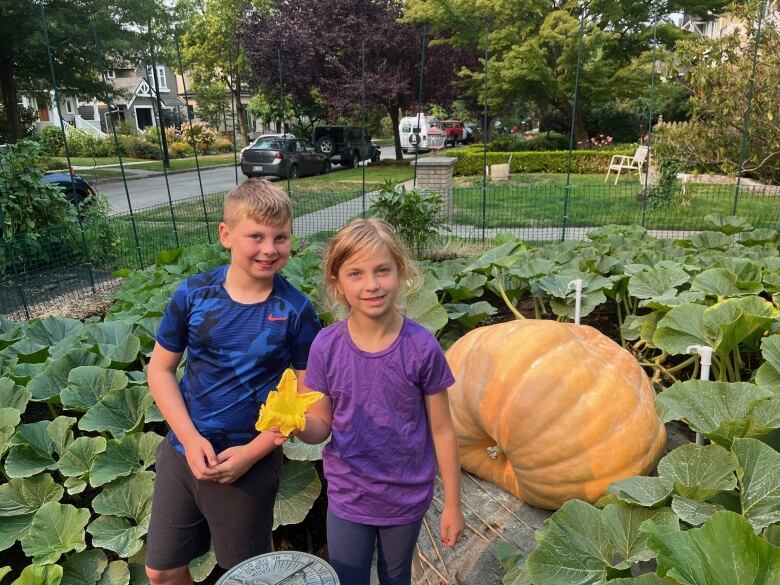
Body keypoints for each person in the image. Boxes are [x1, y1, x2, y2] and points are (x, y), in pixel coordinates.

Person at [145, 178, 321, 585]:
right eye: (255, 236)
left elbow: (304, 400)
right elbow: (160, 370)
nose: (269, 248)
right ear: (226, 235)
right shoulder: (193, 295)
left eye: (281, 237)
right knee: (161, 571)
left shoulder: (296, 311)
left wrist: (253, 452)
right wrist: (188, 440)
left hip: (249, 462)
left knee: (246, 575)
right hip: (182, 452)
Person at [297, 218, 465, 585]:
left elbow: (442, 429)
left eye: (382, 271)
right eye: (355, 274)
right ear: (337, 284)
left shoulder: (422, 347)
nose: (371, 285)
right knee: (348, 577)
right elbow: (320, 427)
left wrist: (453, 503)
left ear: (401, 273)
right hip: (348, 493)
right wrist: (296, 423)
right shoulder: (325, 346)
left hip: (405, 497)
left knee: (395, 575)